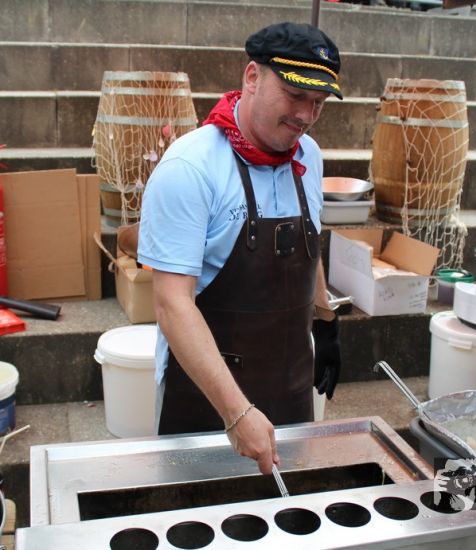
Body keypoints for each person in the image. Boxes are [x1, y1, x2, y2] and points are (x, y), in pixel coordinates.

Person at [138, 22, 343, 476]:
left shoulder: (308, 156)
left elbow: (309, 241)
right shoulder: (190, 168)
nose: (306, 115)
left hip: (291, 383)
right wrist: (236, 412)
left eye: (318, 102)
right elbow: (172, 304)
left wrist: (326, 321)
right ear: (252, 77)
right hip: (206, 397)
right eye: (295, 95)